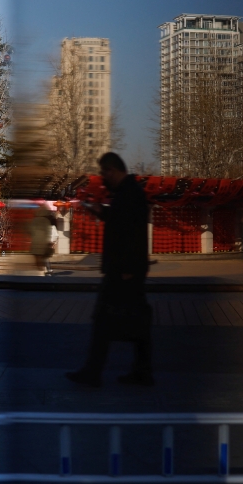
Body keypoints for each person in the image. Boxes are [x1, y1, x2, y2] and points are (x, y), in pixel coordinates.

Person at [66, 152, 153, 387]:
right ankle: (141, 371)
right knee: (135, 322)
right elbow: (120, 221)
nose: (103, 178)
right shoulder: (128, 192)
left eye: (104, 173)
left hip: (124, 271)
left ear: (112, 170)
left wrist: (128, 268)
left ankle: (93, 372)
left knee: (105, 321)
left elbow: (132, 233)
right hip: (127, 269)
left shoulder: (129, 194)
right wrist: (101, 211)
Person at [29, 204, 57, 275]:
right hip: (44, 242)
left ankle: (40, 270)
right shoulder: (46, 221)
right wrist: (50, 241)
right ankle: (46, 270)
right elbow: (49, 232)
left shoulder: (35, 220)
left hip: (36, 241)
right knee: (44, 257)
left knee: (37, 257)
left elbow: (31, 230)